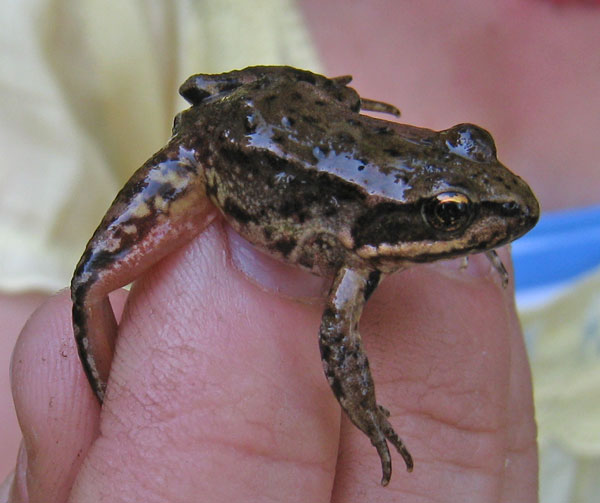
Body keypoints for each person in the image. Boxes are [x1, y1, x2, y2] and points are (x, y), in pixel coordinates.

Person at [3, 0, 599, 501]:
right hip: (211, 155)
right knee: (88, 286)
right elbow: (336, 338)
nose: (470, 221)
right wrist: (370, 412)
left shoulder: (370, 243)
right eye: (450, 216)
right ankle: (99, 391)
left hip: (288, 124)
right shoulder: (356, 260)